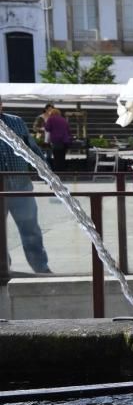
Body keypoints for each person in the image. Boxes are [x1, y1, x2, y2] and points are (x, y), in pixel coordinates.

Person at [0, 95, 52, 273]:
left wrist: (47, 172)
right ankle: (2, 267)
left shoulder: (16, 122)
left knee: (30, 229)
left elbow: (32, 148)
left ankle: (41, 267)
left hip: (20, 184)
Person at [43, 106, 73, 173]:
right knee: (62, 157)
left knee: (57, 157)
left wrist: (45, 123)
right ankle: (63, 171)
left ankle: (58, 171)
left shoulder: (51, 119)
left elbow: (47, 128)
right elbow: (68, 130)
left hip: (56, 140)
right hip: (65, 141)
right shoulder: (63, 119)